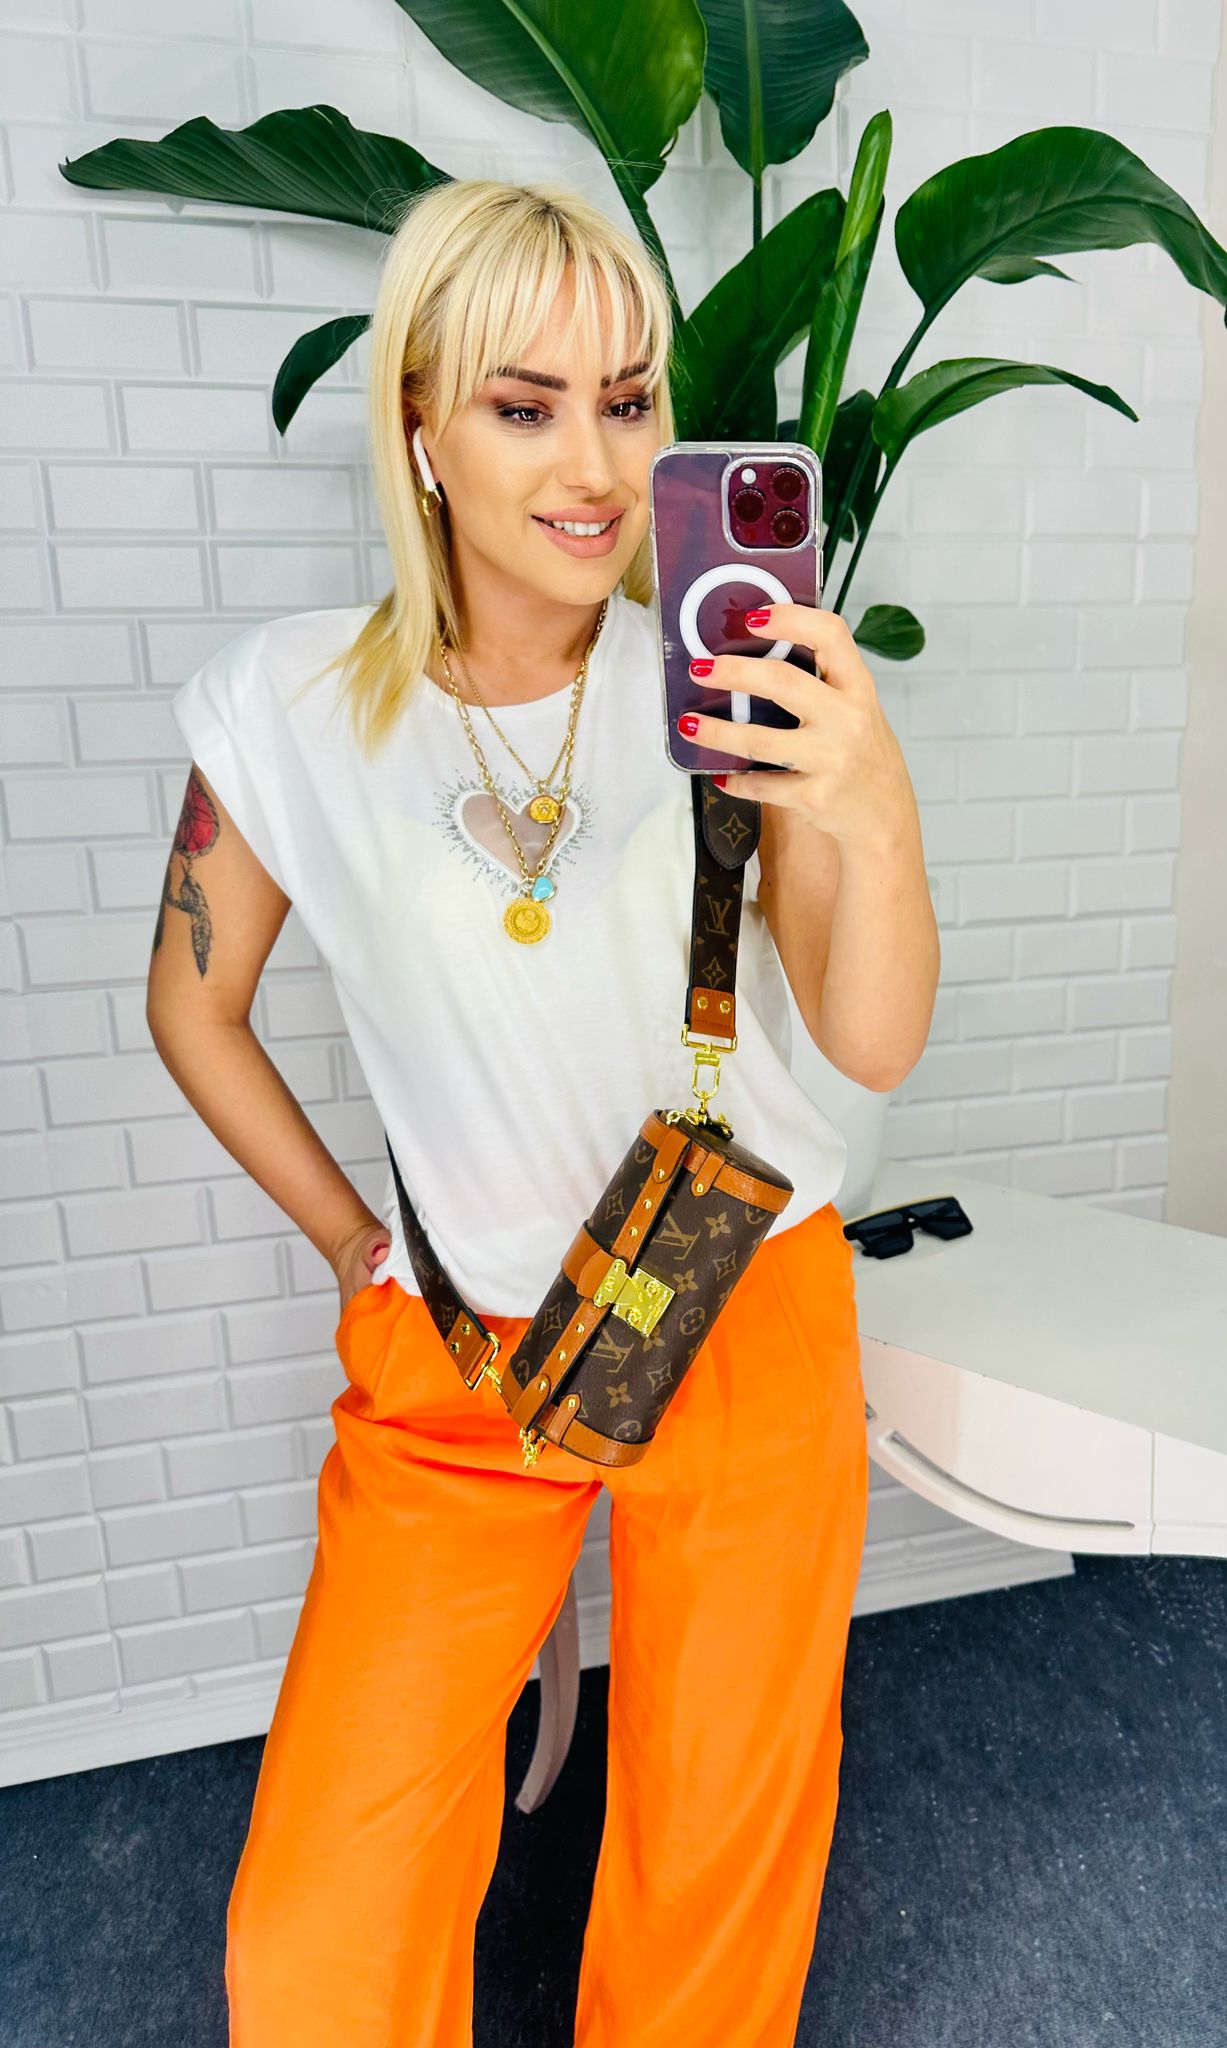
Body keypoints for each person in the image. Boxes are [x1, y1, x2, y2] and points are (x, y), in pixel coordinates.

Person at [145, 177, 938, 2047]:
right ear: (420, 421)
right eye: (525, 405)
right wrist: (356, 1241)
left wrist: (873, 804)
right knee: (322, 1928)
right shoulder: (287, 706)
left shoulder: (730, 693)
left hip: (740, 1309)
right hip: (461, 1352)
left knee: (715, 1862)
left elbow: (871, 1041)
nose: (595, 464)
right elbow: (194, 1005)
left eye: (629, 399)